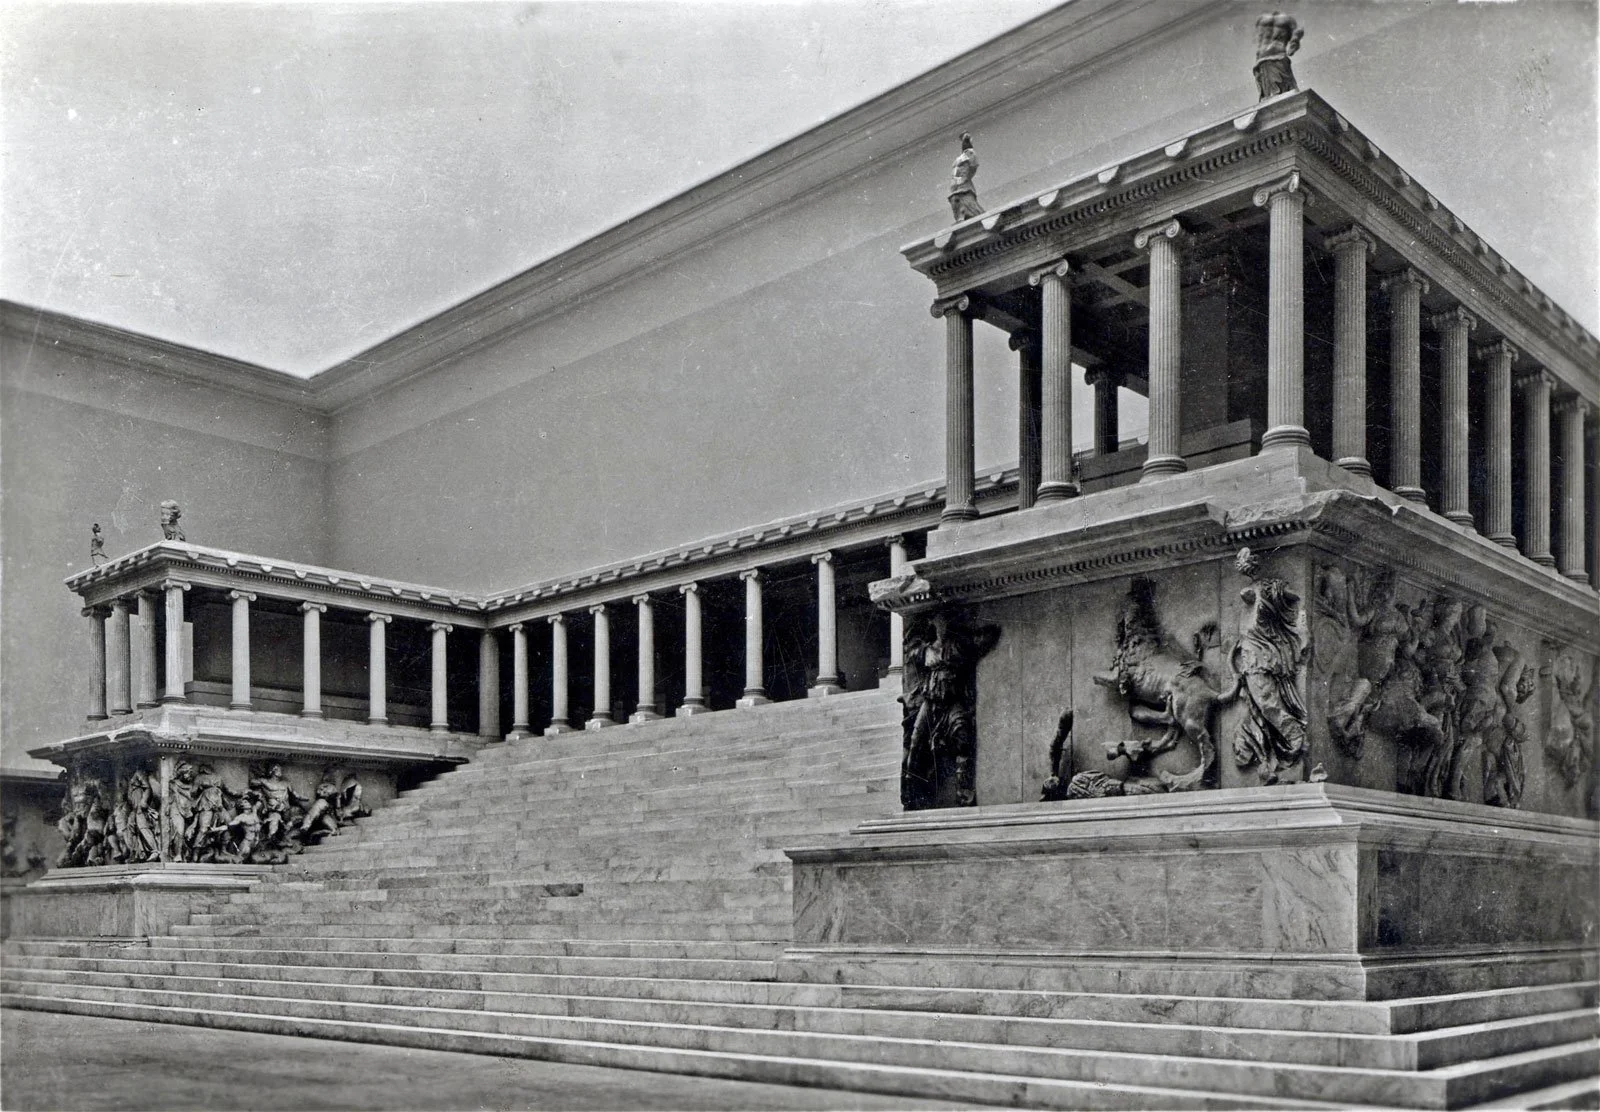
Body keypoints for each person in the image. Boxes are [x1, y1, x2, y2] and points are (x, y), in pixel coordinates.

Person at [1253, 12, 1303, 100]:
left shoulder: (1286, 19)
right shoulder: (1262, 19)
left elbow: (1297, 32)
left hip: (1275, 56)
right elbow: (1297, 32)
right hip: (1263, 60)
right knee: (1271, 96)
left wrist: (1294, 43)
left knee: (1281, 94)